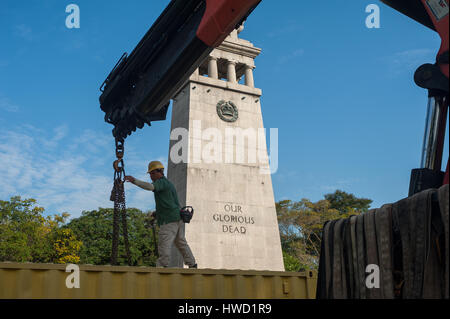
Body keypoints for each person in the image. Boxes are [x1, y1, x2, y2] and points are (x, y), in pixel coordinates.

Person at [124, 161, 197, 268]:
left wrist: (134, 180)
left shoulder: (161, 182)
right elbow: (169, 203)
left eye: (151, 174)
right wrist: (157, 213)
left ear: (158, 172)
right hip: (177, 218)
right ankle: (192, 264)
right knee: (181, 243)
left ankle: (162, 267)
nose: (151, 176)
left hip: (169, 220)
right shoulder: (168, 184)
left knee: (164, 244)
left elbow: (150, 187)